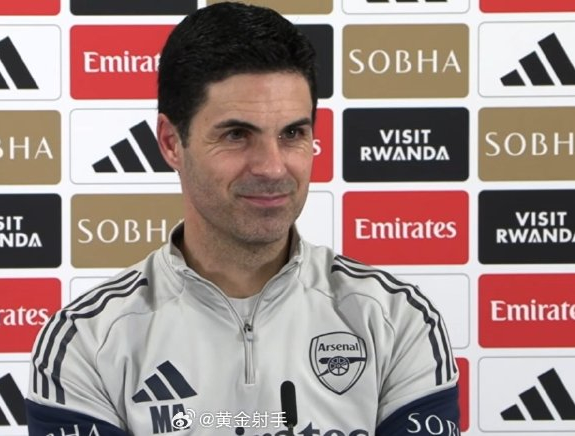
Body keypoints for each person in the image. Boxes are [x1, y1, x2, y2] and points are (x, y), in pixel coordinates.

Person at [25, 2, 460, 435]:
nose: (272, 167)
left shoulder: (396, 319)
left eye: (292, 133)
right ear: (172, 142)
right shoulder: (87, 341)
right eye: (237, 135)